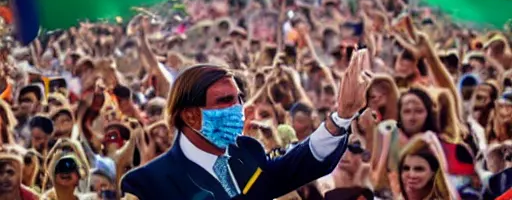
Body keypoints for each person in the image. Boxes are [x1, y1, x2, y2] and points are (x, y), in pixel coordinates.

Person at [121, 51, 370, 200]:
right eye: (225, 101)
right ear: (191, 116)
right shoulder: (147, 185)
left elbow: (297, 166)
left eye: (239, 99)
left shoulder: (246, 153)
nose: (238, 108)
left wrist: (342, 117)